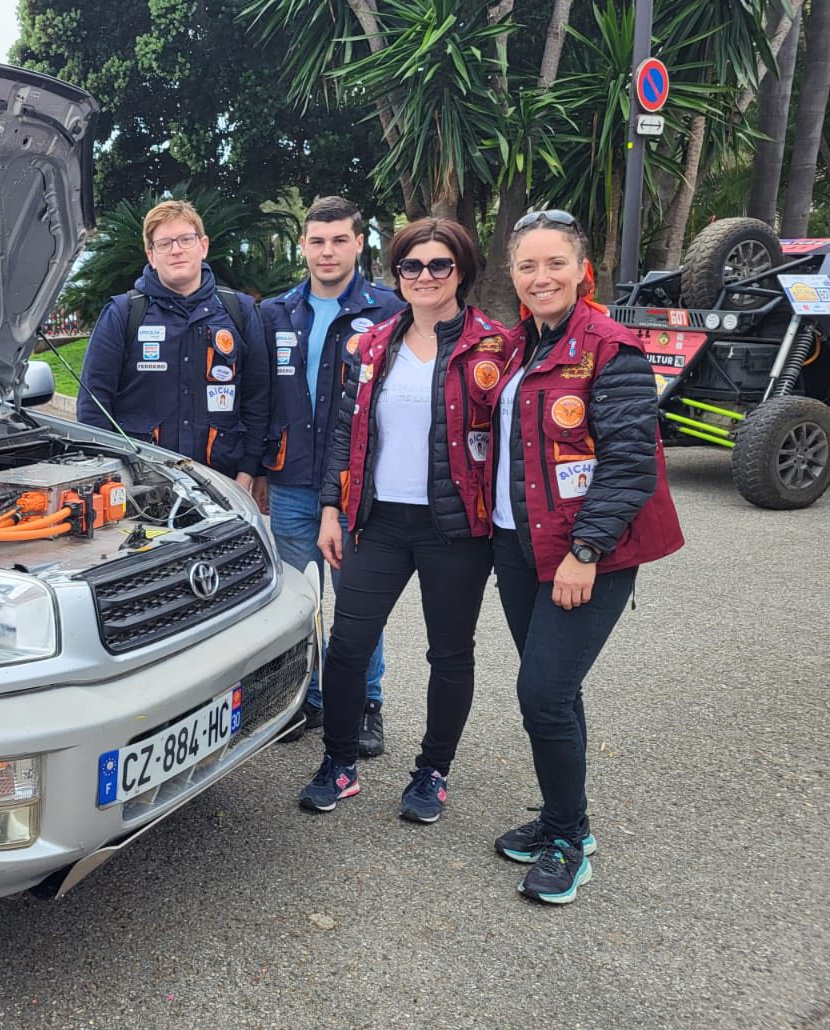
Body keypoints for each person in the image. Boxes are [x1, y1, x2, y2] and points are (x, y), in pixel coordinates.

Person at [489, 209, 683, 904]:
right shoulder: (521, 345)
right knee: (554, 691)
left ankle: (569, 840)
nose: (540, 277)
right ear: (513, 275)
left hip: (582, 553)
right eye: (527, 266)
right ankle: (564, 818)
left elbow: (630, 462)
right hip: (520, 545)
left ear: (582, 270)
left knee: (542, 693)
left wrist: (586, 549)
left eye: (554, 264)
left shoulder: (609, 346)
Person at [299, 217, 517, 823]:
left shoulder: (496, 347)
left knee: (449, 653)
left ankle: (432, 772)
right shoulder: (371, 345)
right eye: (411, 266)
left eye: (438, 264)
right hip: (379, 521)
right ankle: (339, 762)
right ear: (397, 274)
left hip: (456, 527)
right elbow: (343, 435)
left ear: (461, 271)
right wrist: (331, 509)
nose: (425, 276)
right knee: (348, 646)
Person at [259, 196, 403, 754]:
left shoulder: (390, 310)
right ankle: (310, 697)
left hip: (356, 488)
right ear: (303, 246)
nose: (327, 251)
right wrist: (258, 470)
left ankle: (366, 703)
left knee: (357, 605)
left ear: (359, 243)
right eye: (317, 241)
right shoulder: (276, 312)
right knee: (298, 602)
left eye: (340, 240)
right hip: (291, 484)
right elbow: (261, 397)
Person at [77, 200, 268, 488]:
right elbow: (93, 405)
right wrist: (112, 476)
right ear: (151, 256)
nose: (176, 250)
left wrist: (248, 470)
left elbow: (258, 398)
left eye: (185, 239)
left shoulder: (239, 311)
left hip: (223, 482)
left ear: (203, 246)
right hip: (141, 485)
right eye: (164, 244)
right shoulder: (123, 314)